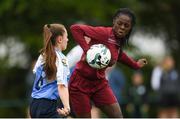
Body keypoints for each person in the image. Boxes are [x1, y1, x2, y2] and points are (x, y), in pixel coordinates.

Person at [69, 8, 148, 118]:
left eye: (126, 25)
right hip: (80, 84)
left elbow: (119, 55)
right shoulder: (103, 33)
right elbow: (75, 29)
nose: (122, 27)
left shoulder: (119, 40)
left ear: (130, 28)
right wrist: (87, 51)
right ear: (114, 21)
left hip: (99, 84)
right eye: (120, 23)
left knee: (118, 117)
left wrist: (135, 65)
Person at [30, 23, 70, 118]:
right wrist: (67, 107)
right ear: (60, 39)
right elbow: (62, 86)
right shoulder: (62, 59)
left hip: (34, 104)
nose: (67, 40)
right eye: (66, 37)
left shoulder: (43, 55)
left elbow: (36, 73)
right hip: (47, 106)